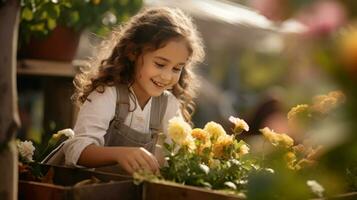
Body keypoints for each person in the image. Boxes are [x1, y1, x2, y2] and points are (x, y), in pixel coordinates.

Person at [43, 7, 204, 175]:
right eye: (160, 64)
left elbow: (182, 152)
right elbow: (76, 150)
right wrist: (119, 154)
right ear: (133, 52)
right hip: (87, 188)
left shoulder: (168, 104)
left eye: (177, 68)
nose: (167, 76)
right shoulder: (108, 94)